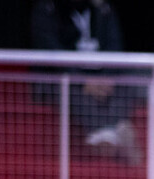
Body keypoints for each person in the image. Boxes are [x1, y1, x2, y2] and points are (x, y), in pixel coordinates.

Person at [29, 0, 142, 164]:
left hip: (101, 74)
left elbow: (114, 46)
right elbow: (50, 50)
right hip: (65, 77)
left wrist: (107, 77)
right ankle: (111, 131)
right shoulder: (47, 9)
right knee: (70, 88)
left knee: (132, 79)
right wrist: (82, 81)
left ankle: (107, 134)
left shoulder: (103, 9)